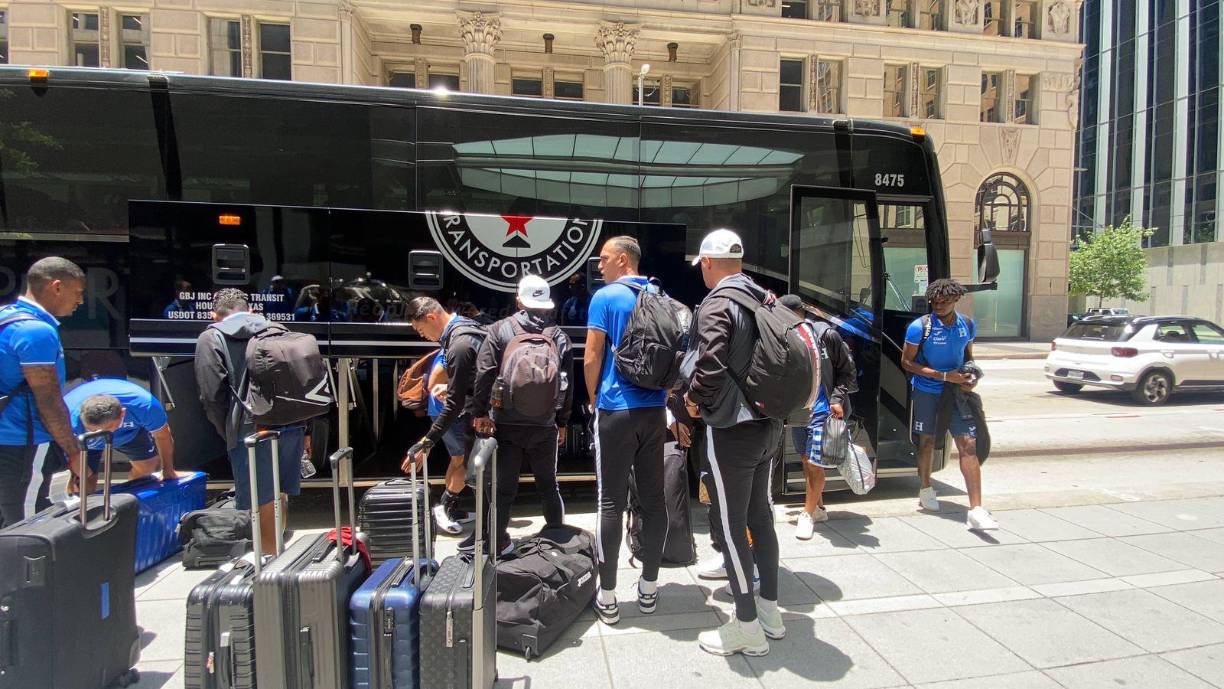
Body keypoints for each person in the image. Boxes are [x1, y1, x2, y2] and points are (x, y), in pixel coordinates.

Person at [683, 229, 784, 657]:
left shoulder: (717, 303)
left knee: (730, 525)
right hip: (769, 426)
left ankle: (746, 627)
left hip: (734, 432)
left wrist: (691, 400)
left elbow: (710, 364)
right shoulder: (764, 297)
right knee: (761, 517)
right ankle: (770, 614)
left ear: (708, 262)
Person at [584, 236, 668, 626]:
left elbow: (592, 355)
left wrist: (592, 398)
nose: (598, 266)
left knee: (610, 503)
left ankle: (608, 596)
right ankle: (650, 590)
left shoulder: (605, 298)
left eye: (602, 259)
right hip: (654, 411)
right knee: (653, 501)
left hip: (616, 410)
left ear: (622, 260)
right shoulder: (658, 294)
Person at [194, 288, 305, 555]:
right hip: (291, 424)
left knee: (260, 500)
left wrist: (228, 430)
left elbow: (211, 395)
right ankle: (276, 554)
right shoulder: (278, 329)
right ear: (252, 310)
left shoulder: (212, 337)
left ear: (214, 314)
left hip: (251, 428)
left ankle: (267, 567)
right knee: (279, 495)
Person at [471, 275, 574, 552]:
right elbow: (567, 383)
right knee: (548, 485)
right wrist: (562, 421)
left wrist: (480, 412)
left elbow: (484, 373)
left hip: (505, 422)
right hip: (545, 424)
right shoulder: (559, 336)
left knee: (503, 490)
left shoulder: (500, 330)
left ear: (519, 300)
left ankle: (495, 544)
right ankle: (556, 541)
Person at [901, 278, 998, 531]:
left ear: (956, 300)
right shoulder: (919, 327)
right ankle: (925, 487)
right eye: (934, 301)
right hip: (927, 391)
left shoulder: (967, 325)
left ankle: (976, 509)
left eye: (944, 301)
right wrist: (944, 376)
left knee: (968, 444)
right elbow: (907, 363)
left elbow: (968, 357)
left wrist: (970, 376)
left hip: (956, 392)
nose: (939, 305)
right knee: (928, 441)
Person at [0, 258, 85, 527]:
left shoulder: (6, 317)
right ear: (56, 286)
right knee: (25, 524)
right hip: (24, 442)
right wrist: (74, 453)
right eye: (79, 293)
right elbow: (48, 401)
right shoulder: (37, 331)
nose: (80, 301)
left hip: (6, 438)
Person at [402, 297, 488, 552]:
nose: (422, 336)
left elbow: (454, 404)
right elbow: (473, 380)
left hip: (479, 418)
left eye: (420, 330)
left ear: (430, 318)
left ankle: (486, 539)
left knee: (480, 477)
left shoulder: (459, 343)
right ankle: (485, 534)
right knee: (478, 475)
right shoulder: (464, 329)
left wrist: (426, 442)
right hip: (479, 414)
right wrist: (451, 387)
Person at [778, 294, 858, 539]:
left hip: (823, 410)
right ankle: (819, 507)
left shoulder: (826, 335)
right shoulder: (785, 337)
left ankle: (807, 514)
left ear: (797, 313)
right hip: (799, 412)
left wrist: (836, 400)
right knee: (805, 460)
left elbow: (848, 373)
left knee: (814, 464)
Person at [64, 378, 178, 494]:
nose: (103, 434)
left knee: (149, 467)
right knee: (83, 484)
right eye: (94, 429)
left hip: (130, 433)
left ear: (122, 413)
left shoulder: (145, 406)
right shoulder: (67, 418)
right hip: (84, 442)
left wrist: (168, 470)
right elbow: (69, 454)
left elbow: (162, 436)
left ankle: (132, 499)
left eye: (108, 428)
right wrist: (75, 476)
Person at [421, 347, 476, 535]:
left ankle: (451, 509)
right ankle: (444, 507)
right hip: (450, 414)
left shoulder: (452, 347)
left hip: (446, 413)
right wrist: (452, 390)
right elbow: (433, 382)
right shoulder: (455, 350)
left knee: (458, 459)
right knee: (466, 463)